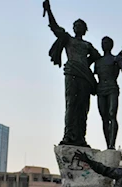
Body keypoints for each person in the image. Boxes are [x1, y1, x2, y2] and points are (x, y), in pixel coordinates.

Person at [42, 0, 100, 147]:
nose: (77, 27)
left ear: (85, 29)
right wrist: (49, 10)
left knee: (83, 108)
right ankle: (68, 135)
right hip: (72, 73)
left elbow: (98, 56)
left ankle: (80, 137)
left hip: (85, 77)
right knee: (71, 104)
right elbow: (54, 28)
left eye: (80, 26)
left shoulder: (87, 45)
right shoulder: (68, 39)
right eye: (75, 25)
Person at [94, 36, 122, 150]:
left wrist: (119, 60)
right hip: (100, 89)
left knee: (112, 114)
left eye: (107, 43)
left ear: (111, 45)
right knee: (104, 117)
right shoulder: (98, 61)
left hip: (112, 88)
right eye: (102, 43)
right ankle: (107, 143)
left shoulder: (115, 58)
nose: (104, 45)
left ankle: (112, 144)